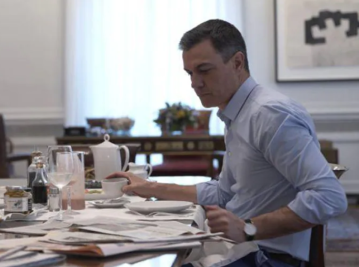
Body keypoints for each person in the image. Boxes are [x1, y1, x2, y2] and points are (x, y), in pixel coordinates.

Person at [109, 19, 347, 267]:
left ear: (237, 63)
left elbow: (329, 197)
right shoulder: (239, 113)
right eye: (190, 73)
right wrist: (152, 188)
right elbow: (223, 193)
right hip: (243, 247)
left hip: (267, 256)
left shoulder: (270, 115)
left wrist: (248, 228)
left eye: (204, 70)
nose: (194, 83)